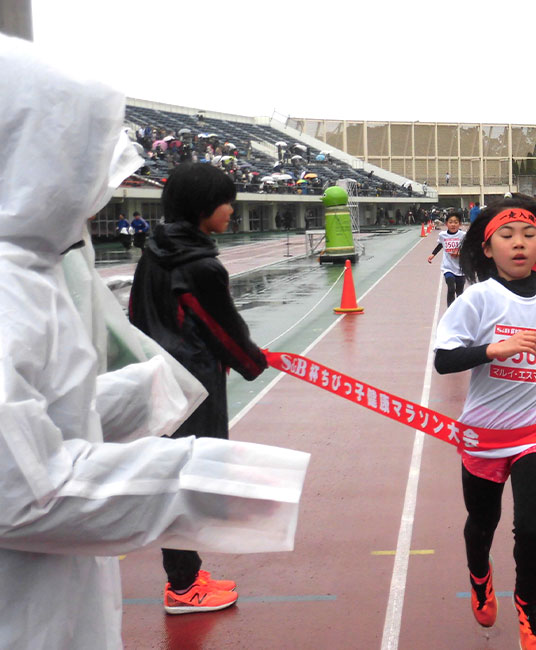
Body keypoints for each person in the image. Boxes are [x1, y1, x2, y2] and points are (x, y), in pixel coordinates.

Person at [0, 35, 309, 648]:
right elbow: (24, 492)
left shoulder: (38, 268)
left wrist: (150, 388)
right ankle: (185, 580)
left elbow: (48, 415)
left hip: (55, 596)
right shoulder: (11, 288)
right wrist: (233, 481)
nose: (101, 194)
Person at [433, 196, 536, 649]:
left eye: (528, 236)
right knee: (482, 523)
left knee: (531, 528)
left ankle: (529, 607)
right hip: (484, 434)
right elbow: (444, 359)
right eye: (507, 236)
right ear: (487, 249)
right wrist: (491, 350)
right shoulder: (477, 298)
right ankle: (480, 577)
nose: (519, 244)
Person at [129, 162, 275, 614]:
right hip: (193, 384)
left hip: (160, 377)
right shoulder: (199, 265)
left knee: (177, 473)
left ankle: (187, 570)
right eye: (226, 201)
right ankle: (184, 586)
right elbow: (222, 330)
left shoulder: (156, 251)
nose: (233, 209)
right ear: (203, 207)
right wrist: (253, 361)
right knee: (188, 480)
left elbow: (136, 315)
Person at [428, 210, 467, 306]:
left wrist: (459, 253)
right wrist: (433, 254)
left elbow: (468, 249)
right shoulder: (442, 235)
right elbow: (441, 244)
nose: (453, 224)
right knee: (451, 288)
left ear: (460, 224)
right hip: (448, 267)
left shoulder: (463, 235)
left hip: (460, 268)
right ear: (446, 224)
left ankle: (459, 309)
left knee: (459, 293)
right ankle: (450, 309)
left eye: (456, 222)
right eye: (450, 222)